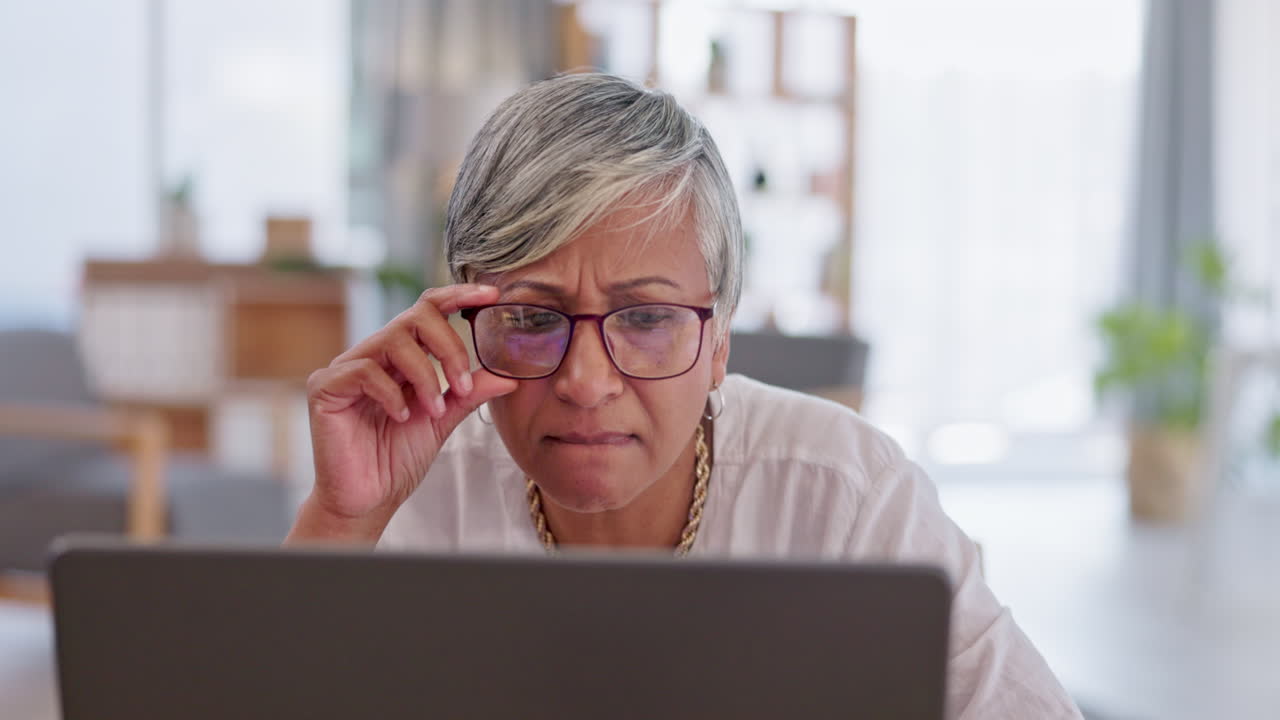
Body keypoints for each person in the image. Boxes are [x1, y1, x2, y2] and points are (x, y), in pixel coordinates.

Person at [286, 72, 1082, 719]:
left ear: (720, 340)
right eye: (530, 318)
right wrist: (342, 519)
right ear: (466, 321)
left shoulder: (844, 493)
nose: (586, 383)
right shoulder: (414, 495)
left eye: (645, 319)